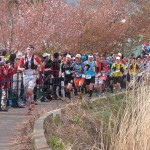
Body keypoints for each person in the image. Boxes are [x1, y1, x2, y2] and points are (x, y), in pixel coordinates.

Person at [18, 45, 42, 115]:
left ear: (33, 50)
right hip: (25, 76)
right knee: (27, 93)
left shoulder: (35, 57)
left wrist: (38, 70)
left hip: (33, 75)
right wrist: (21, 69)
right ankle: (31, 103)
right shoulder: (23, 58)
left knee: (29, 91)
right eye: (28, 49)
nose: (30, 51)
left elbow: (41, 65)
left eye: (31, 49)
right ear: (26, 50)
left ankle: (31, 106)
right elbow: (18, 67)